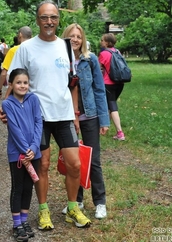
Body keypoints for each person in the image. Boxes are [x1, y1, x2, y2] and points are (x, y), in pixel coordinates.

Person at [7, 0, 92, 229]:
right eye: (44, 17)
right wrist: (9, 107)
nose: (49, 21)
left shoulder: (65, 47)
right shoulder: (26, 48)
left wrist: (75, 114)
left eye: (53, 17)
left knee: (74, 164)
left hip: (63, 115)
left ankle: (73, 208)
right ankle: (43, 211)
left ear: (58, 20)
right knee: (42, 165)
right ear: (37, 20)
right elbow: (13, 80)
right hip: (37, 118)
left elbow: (72, 83)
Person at [60, 23, 110, 219]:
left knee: (94, 161)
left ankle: (100, 202)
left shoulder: (90, 60)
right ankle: (77, 201)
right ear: (66, 37)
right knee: (74, 162)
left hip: (89, 116)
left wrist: (104, 120)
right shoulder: (61, 61)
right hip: (66, 117)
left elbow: (99, 89)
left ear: (83, 40)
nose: (75, 39)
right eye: (71, 36)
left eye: (78, 36)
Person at [2, 68, 42, 241]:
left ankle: (24, 220)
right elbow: (15, 129)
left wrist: (34, 147)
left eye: (25, 82)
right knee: (18, 187)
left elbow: (38, 122)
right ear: (11, 84)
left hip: (34, 153)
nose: (22, 85)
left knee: (28, 187)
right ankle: (16, 223)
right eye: (18, 82)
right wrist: (25, 150)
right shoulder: (8, 104)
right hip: (18, 154)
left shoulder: (34, 99)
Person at [99, 33, 126, 141]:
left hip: (108, 83)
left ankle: (120, 132)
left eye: (102, 40)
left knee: (112, 106)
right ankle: (104, 127)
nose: (101, 42)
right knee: (110, 105)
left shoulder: (104, 53)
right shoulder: (118, 51)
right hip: (120, 82)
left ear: (107, 42)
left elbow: (97, 68)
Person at [0, 26, 32, 100]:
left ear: (20, 35)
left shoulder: (14, 50)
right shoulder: (36, 49)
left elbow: (4, 73)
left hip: (17, 91)